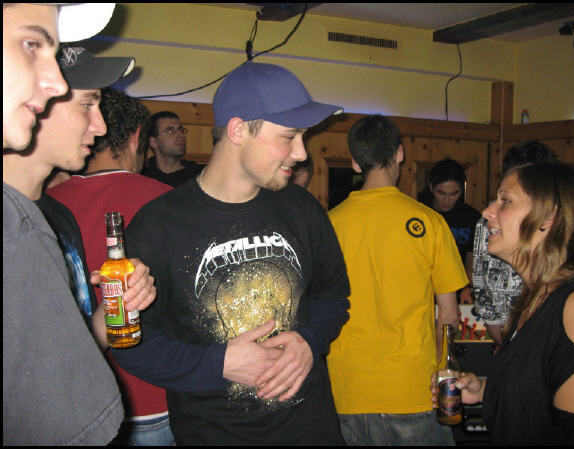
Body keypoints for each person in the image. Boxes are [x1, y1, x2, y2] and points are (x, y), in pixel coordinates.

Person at [110, 61, 350, 445]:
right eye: (289, 136)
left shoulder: (302, 209)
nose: (301, 153)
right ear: (238, 130)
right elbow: (131, 346)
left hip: (313, 431)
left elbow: (333, 296)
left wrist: (310, 340)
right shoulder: (158, 225)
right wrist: (218, 364)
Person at [3, 4, 127, 445]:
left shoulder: (57, 217)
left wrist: (107, 317)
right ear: (43, 107)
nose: (101, 126)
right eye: (88, 104)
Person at [327, 115, 468, 445]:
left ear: (355, 162)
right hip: (414, 388)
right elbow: (448, 317)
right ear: (400, 153)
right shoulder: (429, 222)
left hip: (347, 389)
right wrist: (445, 376)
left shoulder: (328, 224)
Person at [432, 161, 574, 445]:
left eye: (505, 201)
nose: (487, 212)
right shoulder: (534, 298)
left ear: (549, 217)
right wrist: (484, 390)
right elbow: (538, 393)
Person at [48, 86, 175, 445]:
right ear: (136, 137)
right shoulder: (169, 201)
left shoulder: (45, 203)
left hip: (84, 406)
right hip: (161, 395)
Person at [472, 141, 557, 345]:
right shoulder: (488, 223)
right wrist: (509, 347)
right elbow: (482, 287)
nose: (488, 212)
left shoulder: (570, 295)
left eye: (507, 201)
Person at [418, 158, 481, 304]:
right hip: (423, 289)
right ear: (431, 187)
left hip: (459, 290)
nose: (447, 200)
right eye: (441, 193)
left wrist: (467, 287)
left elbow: (471, 257)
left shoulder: (471, 217)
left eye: (454, 194)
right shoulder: (420, 214)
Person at [141, 111, 203, 187]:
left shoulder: (199, 176)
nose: (180, 135)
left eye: (181, 130)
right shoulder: (143, 177)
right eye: (170, 131)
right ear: (153, 142)